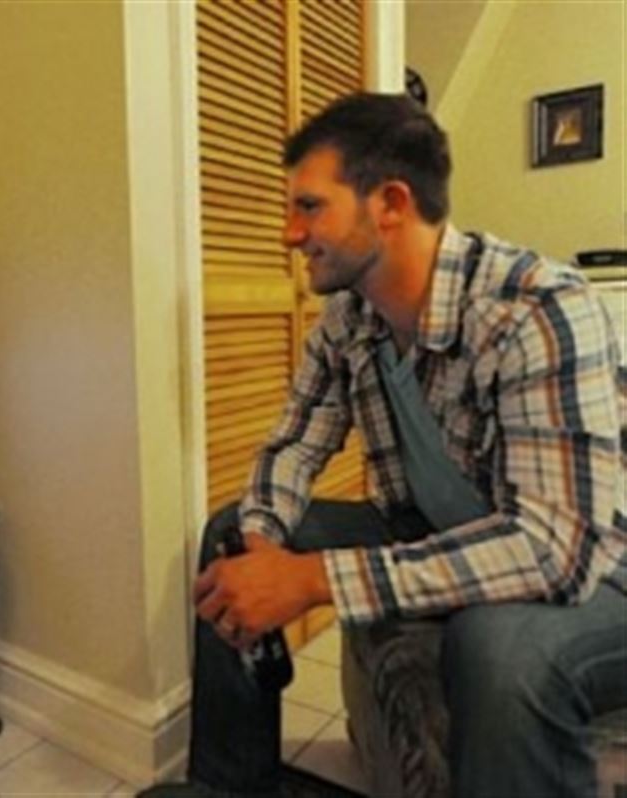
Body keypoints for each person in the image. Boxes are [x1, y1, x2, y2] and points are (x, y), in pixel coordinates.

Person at [142, 92, 627, 797]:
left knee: (497, 650)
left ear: (391, 203)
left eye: (309, 207)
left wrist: (313, 579)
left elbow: (554, 549)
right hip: (429, 526)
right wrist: (262, 544)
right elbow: (294, 446)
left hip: (602, 566)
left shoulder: (537, 311)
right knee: (231, 532)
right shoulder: (350, 320)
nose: (289, 233)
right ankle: (230, 786)